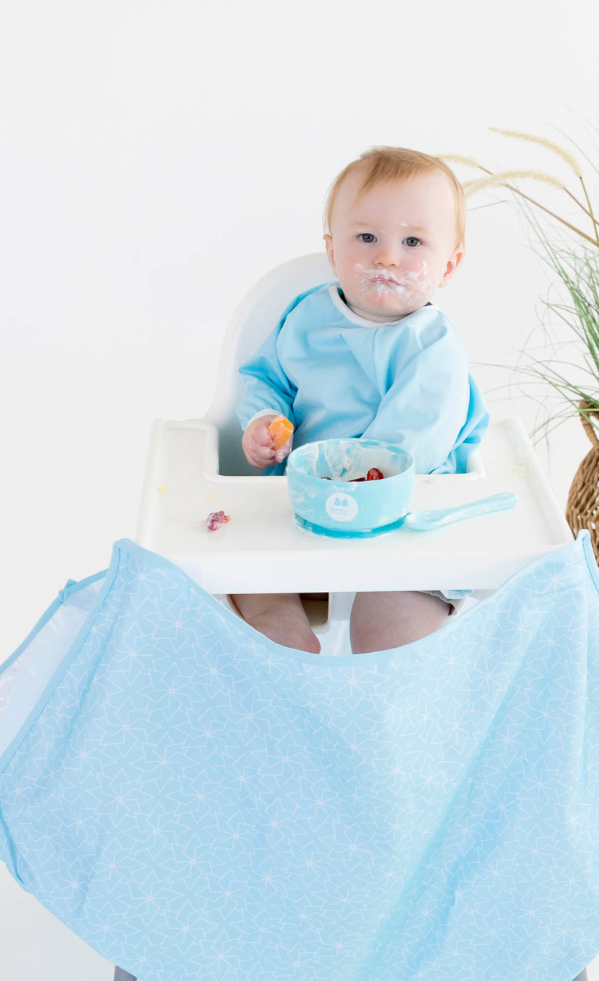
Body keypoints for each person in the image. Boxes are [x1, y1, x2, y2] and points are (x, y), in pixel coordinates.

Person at [231, 146, 489, 654]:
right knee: (249, 574)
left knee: (396, 619)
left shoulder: (432, 343)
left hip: (402, 515)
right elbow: (265, 379)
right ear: (332, 251)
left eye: (412, 241)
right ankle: (283, 637)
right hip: (301, 504)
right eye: (366, 237)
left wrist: (352, 484)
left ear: (448, 265)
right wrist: (263, 421)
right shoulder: (306, 316)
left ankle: (381, 687)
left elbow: (417, 433)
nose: (387, 256)